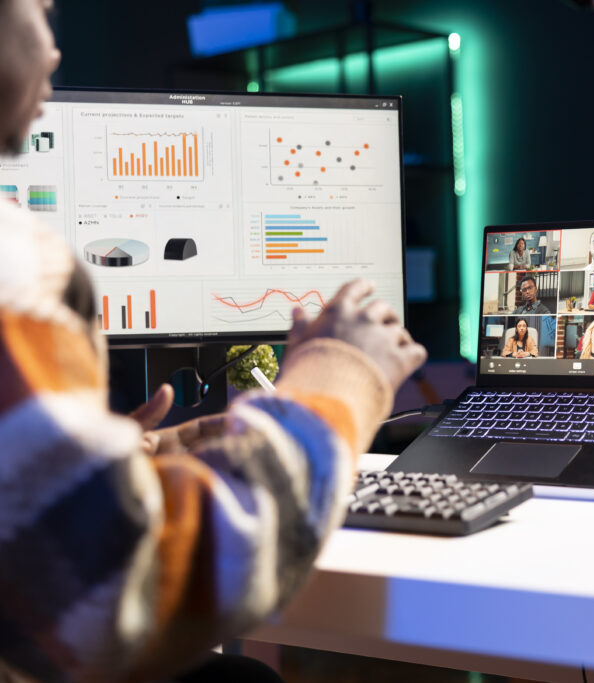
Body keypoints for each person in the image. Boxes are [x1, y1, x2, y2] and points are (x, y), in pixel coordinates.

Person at [0, 2, 427, 681]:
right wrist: (339, 378)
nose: (52, 51)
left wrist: (93, 467)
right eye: (39, 10)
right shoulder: (12, 263)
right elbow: (116, 592)